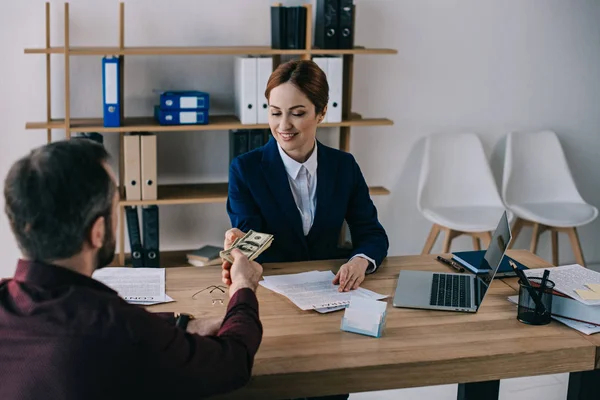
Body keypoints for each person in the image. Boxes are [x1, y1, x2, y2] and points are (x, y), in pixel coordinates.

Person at [0, 139, 263, 400]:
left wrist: (180, 325)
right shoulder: (119, 330)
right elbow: (233, 363)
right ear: (98, 232)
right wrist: (243, 287)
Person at [225, 59, 389, 293]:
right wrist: (239, 242)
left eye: (297, 113)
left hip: (331, 287)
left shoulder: (344, 166)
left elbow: (371, 232)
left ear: (321, 113)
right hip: (270, 288)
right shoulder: (245, 169)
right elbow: (252, 243)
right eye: (275, 113)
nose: (283, 125)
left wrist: (359, 261)